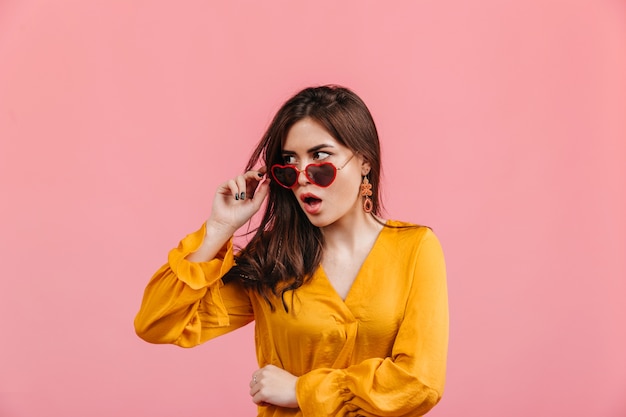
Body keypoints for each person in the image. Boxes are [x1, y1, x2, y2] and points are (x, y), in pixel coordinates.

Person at [134, 85, 449, 416]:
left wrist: (302, 391)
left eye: (320, 157)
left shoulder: (415, 248)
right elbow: (157, 322)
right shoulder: (274, 259)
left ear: (364, 162)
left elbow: (419, 384)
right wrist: (219, 229)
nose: (301, 177)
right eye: (289, 162)